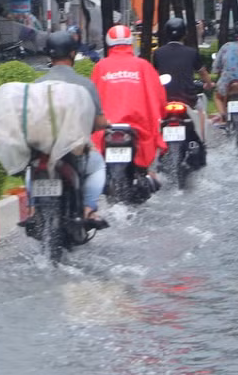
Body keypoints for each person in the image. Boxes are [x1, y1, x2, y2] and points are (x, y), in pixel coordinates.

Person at [32, 31, 110, 228]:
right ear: (73, 53)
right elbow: (99, 122)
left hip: (44, 150)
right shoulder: (85, 84)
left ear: (49, 55)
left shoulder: (36, 85)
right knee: (98, 166)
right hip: (74, 150)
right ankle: (88, 209)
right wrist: (98, 125)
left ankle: (32, 210)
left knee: (33, 168)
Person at [91, 25, 168, 189]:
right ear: (130, 42)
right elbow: (158, 97)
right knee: (151, 175)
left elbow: (91, 100)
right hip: (138, 129)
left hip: (106, 129)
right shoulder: (143, 66)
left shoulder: (100, 67)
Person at [152, 17, 212, 168]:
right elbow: (203, 72)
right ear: (184, 34)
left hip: (164, 100)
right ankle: (202, 141)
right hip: (188, 99)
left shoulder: (158, 53)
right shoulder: (191, 52)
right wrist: (209, 84)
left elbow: (155, 75)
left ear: (166, 33)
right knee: (201, 112)